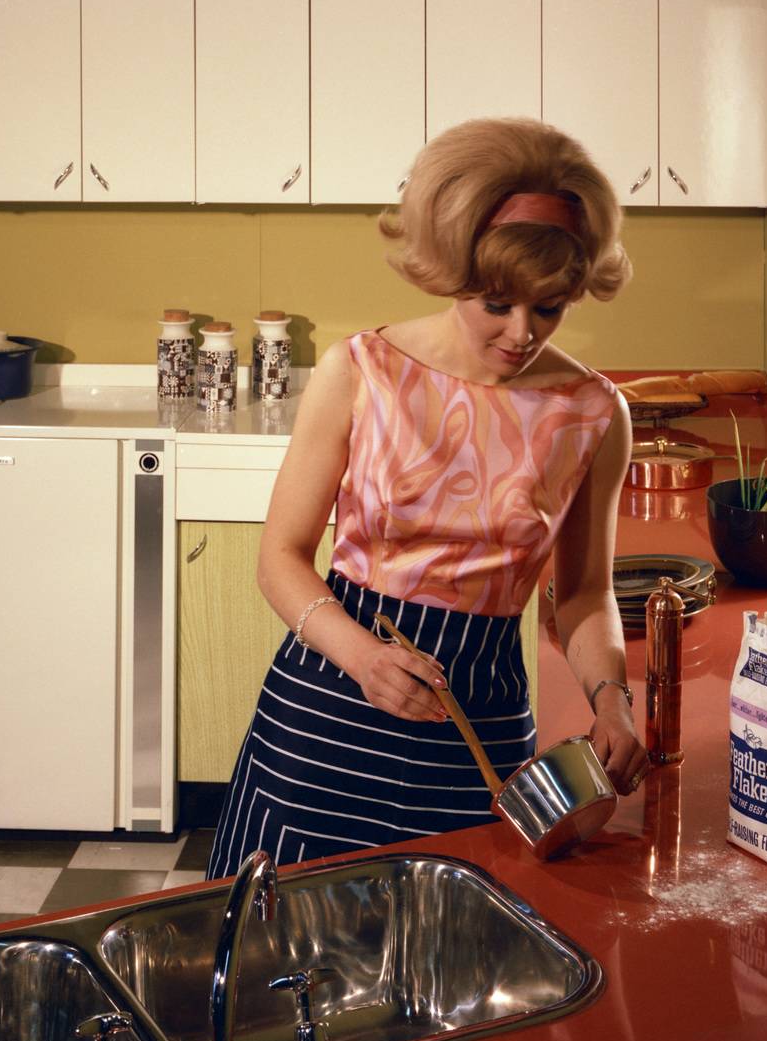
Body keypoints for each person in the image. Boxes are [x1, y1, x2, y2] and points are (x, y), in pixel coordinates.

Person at [206, 117, 647, 878]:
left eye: (548, 308)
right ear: (452, 274)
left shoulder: (593, 414)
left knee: (462, 969)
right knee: (276, 965)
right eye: (496, 303)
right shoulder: (362, 370)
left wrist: (612, 698)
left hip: (481, 737)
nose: (520, 333)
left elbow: (581, 594)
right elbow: (280, 558)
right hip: (329, 720)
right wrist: (362, 657)